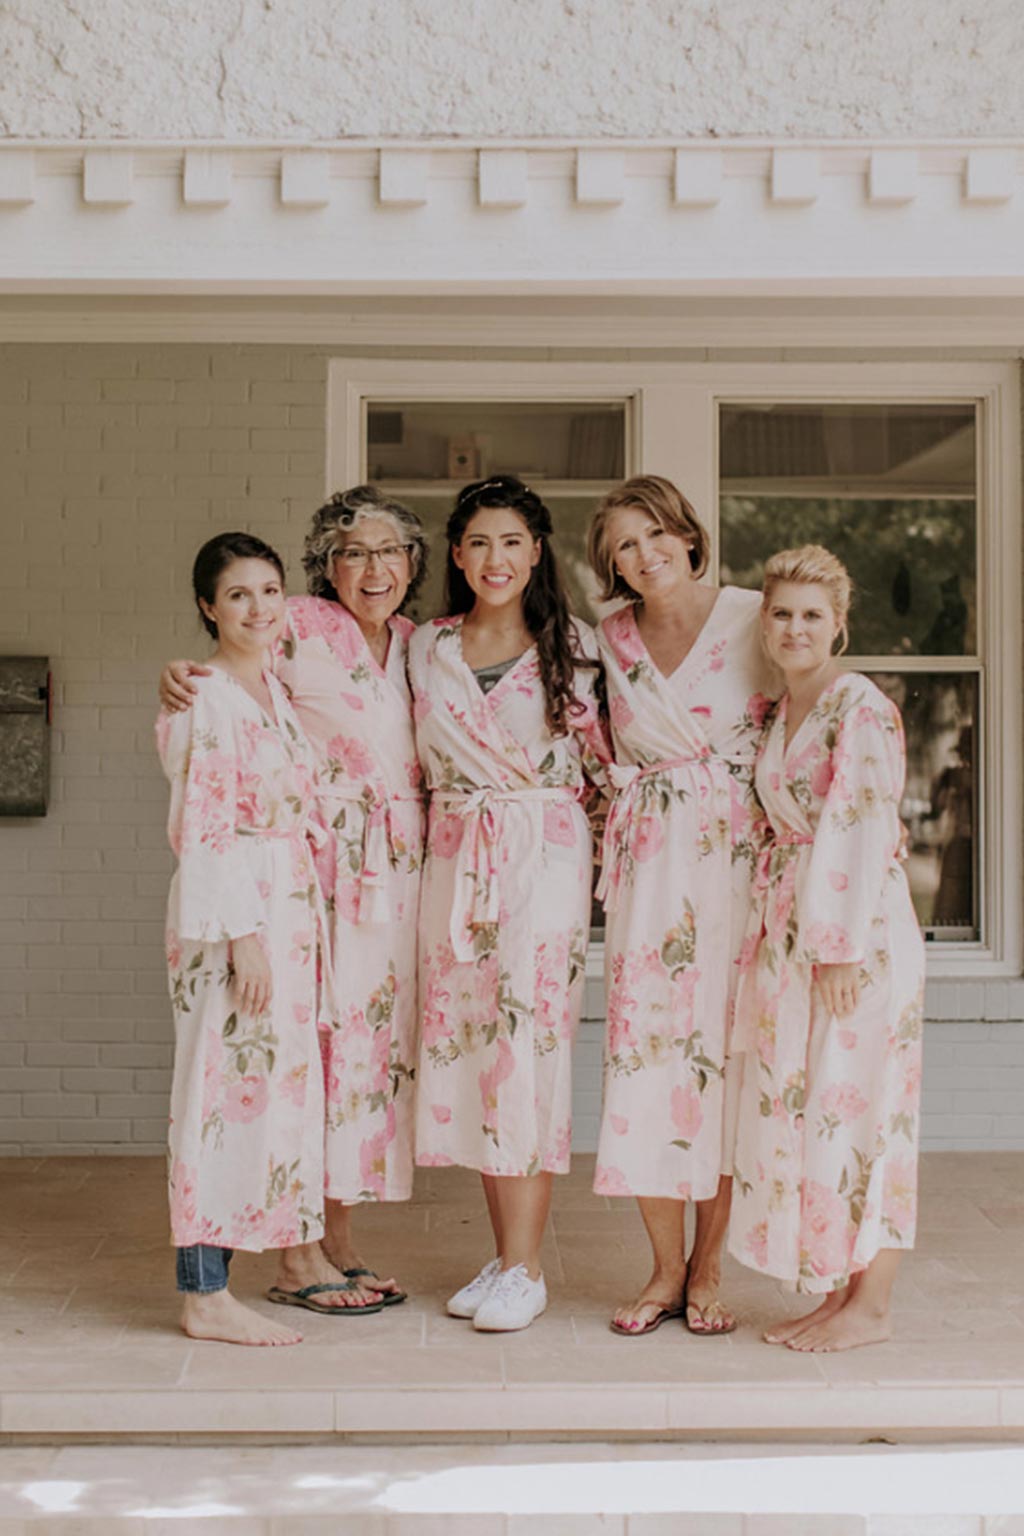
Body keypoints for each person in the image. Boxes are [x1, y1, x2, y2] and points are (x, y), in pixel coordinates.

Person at [159, 487, 428, 1311]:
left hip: (320, 893)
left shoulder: (421, 647)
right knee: (240, 1078)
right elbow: (209, 781)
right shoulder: (283, 640)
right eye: (352, 553)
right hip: (276, 893)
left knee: (313, 1078)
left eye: (388, 552)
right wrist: (178, 676)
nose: (372, 568)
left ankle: (311, 1249)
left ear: (413, 564)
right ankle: (238, 1277)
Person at [410, 475, 611, 1333]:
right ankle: (503, 1255)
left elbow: (612, 765)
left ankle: (527, 1268)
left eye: (513, 542)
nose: (496, 559)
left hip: (541, 857)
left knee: (527, 1053)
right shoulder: (424, 647)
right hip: (454, 860)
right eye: (479, 543)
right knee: (474, 1058)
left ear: (537, 552)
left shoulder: (580, 645)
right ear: (458, 556)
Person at [587, 476, 776, 1337]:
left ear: (687, 534)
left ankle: (709, 1269)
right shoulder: (609, 637)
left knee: (726, 1066)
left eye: (655, 533)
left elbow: (809, 712)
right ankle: (663, 1271)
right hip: (649, 869)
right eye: (624, 545)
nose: (644, 554)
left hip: (737, 864)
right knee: (648, 1063)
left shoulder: (753, 614)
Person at [728, 544, 924, 1352]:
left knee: (867, 1108)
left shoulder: (859, 706)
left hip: (857, 939)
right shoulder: (781, 713)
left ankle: (872, 1306)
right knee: (820, 1113)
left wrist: (836, 948)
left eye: (813, 615)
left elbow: (862, 825)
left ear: (839, 627)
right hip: (795, 933)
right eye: (782, 613)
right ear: (764, 624)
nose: (795, 627)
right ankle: (841, 1294)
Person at [157, 532, 334, 1345]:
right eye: (237, 595)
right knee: (213, 1099)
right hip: (234, 918)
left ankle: (245, 1271)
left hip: (286, 912)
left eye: (270, 591)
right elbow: (209, 827)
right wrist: (243, 939)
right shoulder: (208, 696)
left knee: (262, 1099)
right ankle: (203, 1294)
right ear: (207, 607)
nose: (258, 608)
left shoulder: (275, 689)